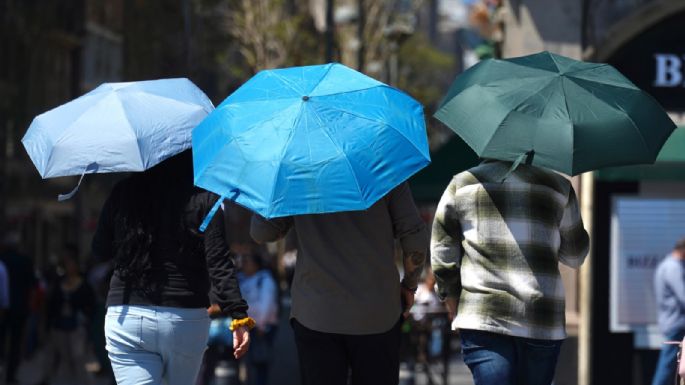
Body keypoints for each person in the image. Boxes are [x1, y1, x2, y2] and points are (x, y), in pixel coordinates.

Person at [91, 150, 252, 385]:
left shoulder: (123, 193)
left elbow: (100, 250)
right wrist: (239, 316)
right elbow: (218, 262)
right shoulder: (207, 198)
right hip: (184, 318)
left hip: (128, 316)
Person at [250, 181, 429, 385]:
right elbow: (414, 236)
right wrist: (410, 283)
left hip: (316, 313)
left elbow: (261, 232)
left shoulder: (297, 175)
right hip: (377, 313)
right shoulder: (383, 168)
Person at [431, 159, 589, 385]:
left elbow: (442, 249)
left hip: (484, 315)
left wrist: (451, 298)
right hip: (542, 319)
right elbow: (576, 256)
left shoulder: (463, 184)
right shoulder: (559, 187)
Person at [45, 244, 96, 384]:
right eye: (67, 264)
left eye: (72, 264)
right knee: (64, 358)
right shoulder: (59, 283)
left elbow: (90, 305)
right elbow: (51, 304)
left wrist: (86, 318)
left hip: (77, 326)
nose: (69, 267)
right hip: (60, 325)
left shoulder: (84, 285)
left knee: (78, 357)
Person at [0, 231, 38, 383]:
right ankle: (10, 375)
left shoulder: (3, 261)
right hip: (20, 308)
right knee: (15, 344)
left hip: (5, 308)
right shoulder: (25, 261)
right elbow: (33, 285)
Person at [236, 248, 279, 385]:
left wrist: (261, 325)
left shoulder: (265, 280)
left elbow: (266, 306)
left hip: (261, 328)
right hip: (245, 327)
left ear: (256, 264)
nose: (243, 264)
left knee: (260, 362)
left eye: (247, 261)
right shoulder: (240, 279)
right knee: (246, 364)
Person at [651, 238, 685, 385]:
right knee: (668, 365)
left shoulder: (666, 265)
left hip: (670, 320)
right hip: (676, 322)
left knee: (670, 364)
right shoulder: (674, 268)